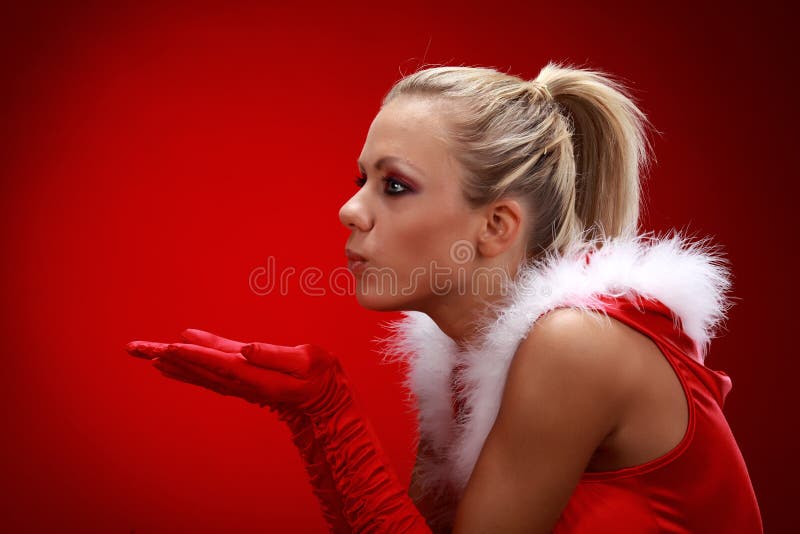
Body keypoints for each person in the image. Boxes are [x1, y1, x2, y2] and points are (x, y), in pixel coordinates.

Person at [126, 62, 763, 533]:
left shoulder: (576, 346)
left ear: (496, 227)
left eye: (395, 186)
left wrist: (327, 414)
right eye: (362, 178)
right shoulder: (469, 360)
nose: (350, 210)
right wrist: (311, 409)